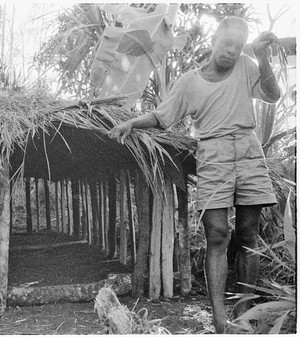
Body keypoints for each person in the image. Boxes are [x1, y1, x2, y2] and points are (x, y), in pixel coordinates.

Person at [108, 16, 280, 334]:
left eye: (238, 46)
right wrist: (132, 123)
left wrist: (262, 57)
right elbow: (163, 116)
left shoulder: (246, 65)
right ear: (214, 41)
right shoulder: (190, 82)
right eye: (226, 44)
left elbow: (271, 94)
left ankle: (242, 312)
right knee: (216, 234)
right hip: (213, 155)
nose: (231, 51)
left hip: (248, 151)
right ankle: (218, 319)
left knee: (247, 235)